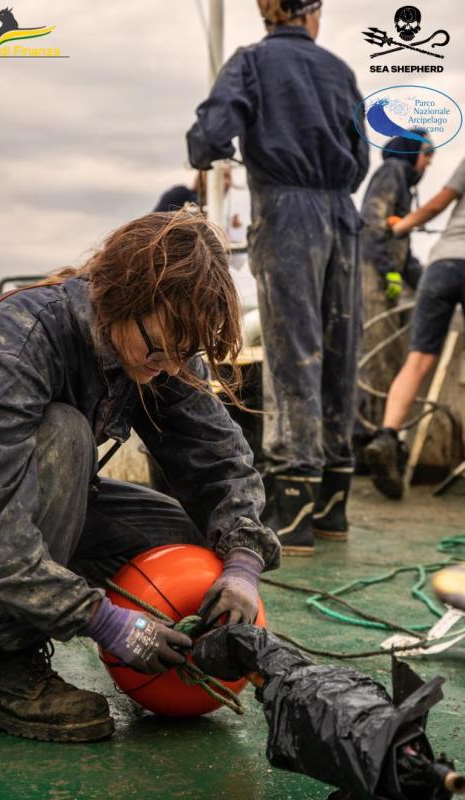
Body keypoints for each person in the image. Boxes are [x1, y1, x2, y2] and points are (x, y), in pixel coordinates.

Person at [0, 210, 280, 742]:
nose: (168, 366)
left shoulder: (155, 345)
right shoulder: (20, 335)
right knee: (64, 433)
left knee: (179, 540)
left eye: (182, 354)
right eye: (159, 349)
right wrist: (104, 620)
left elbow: (216, 458)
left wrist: (242, 563)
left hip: (2, 505)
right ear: (118, 297)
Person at [187, 0, 369, 555]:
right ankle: (334, 505)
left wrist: (226, 152)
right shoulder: (340, 70)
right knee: (340, 353)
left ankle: (294, 516)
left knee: (295, 354)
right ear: (312, 12)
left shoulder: (250, 62)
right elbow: (360, 157)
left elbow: (209, 137)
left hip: (287, 212)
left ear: (268, 12)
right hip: (343, 214)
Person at [365, 157, 465, 499]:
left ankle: (387, 435)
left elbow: (439, 202)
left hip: (442, 265)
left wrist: (400, 227)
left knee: (419, 357)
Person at [359, 132, 433, 430]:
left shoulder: (402, 181)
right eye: (427, 153)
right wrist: (389, 270)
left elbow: (401, 248)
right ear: (412, 150)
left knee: (389, 359)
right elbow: (372, 224)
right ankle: (366, 437)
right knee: (377, 359)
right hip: (372, 279)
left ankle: (377, 433)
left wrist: (427, 281)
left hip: (384, 276)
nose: (429, 162)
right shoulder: (394, 171)